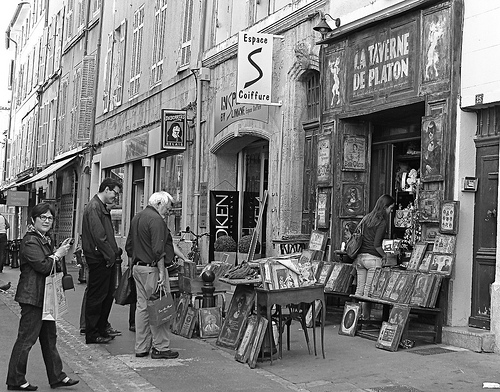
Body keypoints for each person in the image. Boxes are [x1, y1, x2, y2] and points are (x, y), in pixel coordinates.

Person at [6, 202, 79, 390]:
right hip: (32, 297)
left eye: (50, 218)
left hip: (45, 296)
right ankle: (15, 380)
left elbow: (51, 265)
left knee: (49, 338)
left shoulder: (43, 238)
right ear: (33, 219)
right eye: (43, 217)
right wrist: (57, 254)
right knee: (26, 339)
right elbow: (44, 266)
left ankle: (57, 376)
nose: (47, 221)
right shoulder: (31, 240)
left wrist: (57, 253)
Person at [125, 191, 180, 359]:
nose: (168, 212)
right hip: (152, 269)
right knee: (160, 305)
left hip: (138, 268)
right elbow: (158, 250)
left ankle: (141, 347)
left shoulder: (138, 217)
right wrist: (162, 272)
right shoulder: (156, 220)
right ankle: (160, 347)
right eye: (168, 208)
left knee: (142, 308)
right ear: (159, 204)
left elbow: (129, 246)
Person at [82, 178, 123, 344]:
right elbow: (99, 236)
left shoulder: (99, 207)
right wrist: (110, 256)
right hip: (100, 258)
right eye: (115, 193)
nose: (116, 197)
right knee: (97, 296)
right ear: (106, 189)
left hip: (104, 257)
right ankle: (92, 333)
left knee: (105, 295)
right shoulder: (94, 207)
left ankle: (99, 329)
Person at [354, 194, 395, 321]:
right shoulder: (381, 222)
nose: (391, 211)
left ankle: (354, 318)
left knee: (359, 290)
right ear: (385, 207)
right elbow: (377, 245)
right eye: (391, 208)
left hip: (360, 258)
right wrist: (385, 256)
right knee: (368, 291)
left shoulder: (366, 218)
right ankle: (365, 319)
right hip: (372, 259)